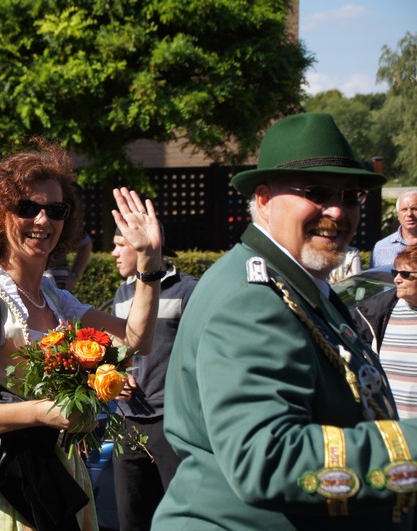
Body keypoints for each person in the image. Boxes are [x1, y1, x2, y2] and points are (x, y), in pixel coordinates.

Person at [154, 113, 417, 530]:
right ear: (263, 199)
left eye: (351, 196)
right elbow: (266, 456)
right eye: (316, 193)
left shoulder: (299, 285)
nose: (337, 210)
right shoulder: (252, 299)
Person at [0, 139, 162, 531]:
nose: (43, 220)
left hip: (56, 479)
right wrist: (42, 411)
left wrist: (149, 263)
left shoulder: (54, 297)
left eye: (56, 210)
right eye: (27, 208)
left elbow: (136, 340)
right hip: (2, 489)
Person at [110, 225, 197, 530]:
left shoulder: (188, 290)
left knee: (181, 520)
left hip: (172, 424)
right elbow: (116, 350)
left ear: (145, 247)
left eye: (121, 245)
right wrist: (117, 372)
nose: (114, 253)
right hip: (126, 424)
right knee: (130, 519)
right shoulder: (122, 293)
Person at [354, 246, 417, 419]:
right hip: (390, 425)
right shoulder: (376, 314)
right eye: (395, 273)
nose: (397, 279)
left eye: (405, 274)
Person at [371, 191, 417, 267]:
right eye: (404, 209)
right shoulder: (381, 247)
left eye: (414, 209)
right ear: (398, 215)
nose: (409, 214)